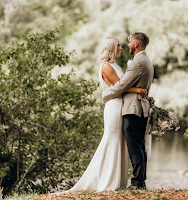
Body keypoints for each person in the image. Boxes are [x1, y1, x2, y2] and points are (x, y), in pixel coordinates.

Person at [57, 37, 147, 193]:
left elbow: (123, 84)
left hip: (121, 105)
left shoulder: (115, 65)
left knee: (120, 141)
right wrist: (138, 90)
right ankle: (107, 181)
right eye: (118, 46)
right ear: (112, 48)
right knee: (112, 140)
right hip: (114, 106)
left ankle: (118, 181)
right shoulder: (106, 67)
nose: (121, 48)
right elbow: (121, 87)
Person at [102, 32, 154, 190]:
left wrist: (106, 94)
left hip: (133, 109)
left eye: (130, 42)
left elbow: (122, 85)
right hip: (137, 108)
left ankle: (138, 182)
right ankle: (140, 181)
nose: (127, 45)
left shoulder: (137, 63)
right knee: (138, 146)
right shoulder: (146, 61)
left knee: (134, 147)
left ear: (136, 44)